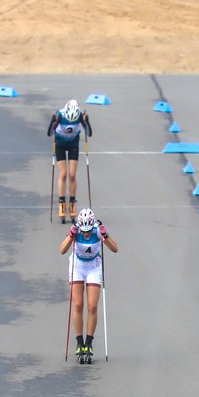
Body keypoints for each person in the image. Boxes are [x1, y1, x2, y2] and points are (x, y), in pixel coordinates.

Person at [59, 208, 117, 364]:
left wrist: (105, 235)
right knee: (78, 304)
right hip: (77, 266)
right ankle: (79, 342)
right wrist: (70, 236)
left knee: (92, 306)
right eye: (84, 231)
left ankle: (89, 343)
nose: (86, 234)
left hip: (93, 267)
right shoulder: (76, 230)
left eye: (88, 231)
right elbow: (62, 250)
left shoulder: (97, 231)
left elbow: (115, 249)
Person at [48, 99, 93, 223]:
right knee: (63, 174)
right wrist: (53, 121)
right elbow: (49, 133)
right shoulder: (60, 115)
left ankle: (72, 204)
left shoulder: (79, 115)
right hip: (60, 144)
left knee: (72, 175)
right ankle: (62, 204)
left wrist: (87, 122)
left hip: (73, 144)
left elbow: (89, 133)